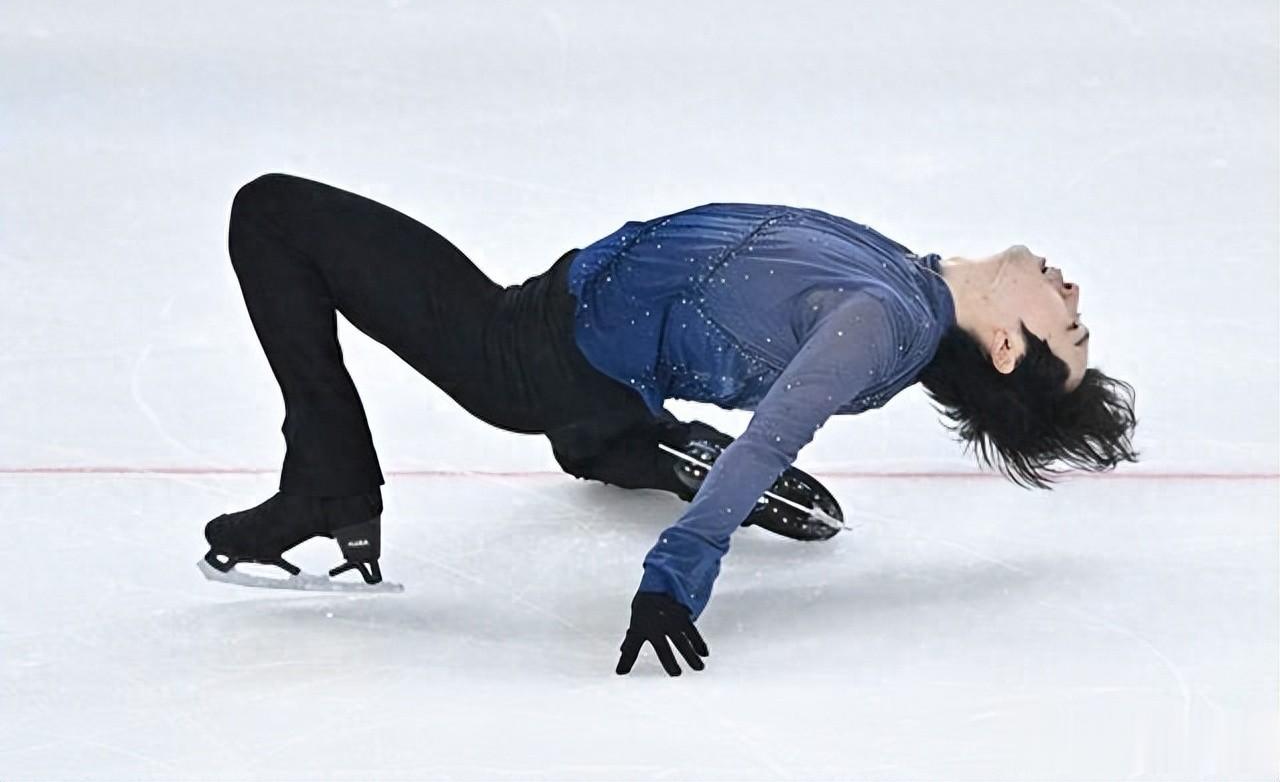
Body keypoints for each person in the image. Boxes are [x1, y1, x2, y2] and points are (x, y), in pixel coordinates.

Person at [201, 173, 1139, 676]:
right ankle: (639, 442)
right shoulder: (909, 283)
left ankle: (328, 486)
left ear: (1007, 348)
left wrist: (674, 579)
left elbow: (772, 439)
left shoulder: (883, 322)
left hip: (531, 350)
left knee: (274, 214)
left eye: (1071, 324)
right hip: (600, 359)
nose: (1072, 291)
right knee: (585, 438)